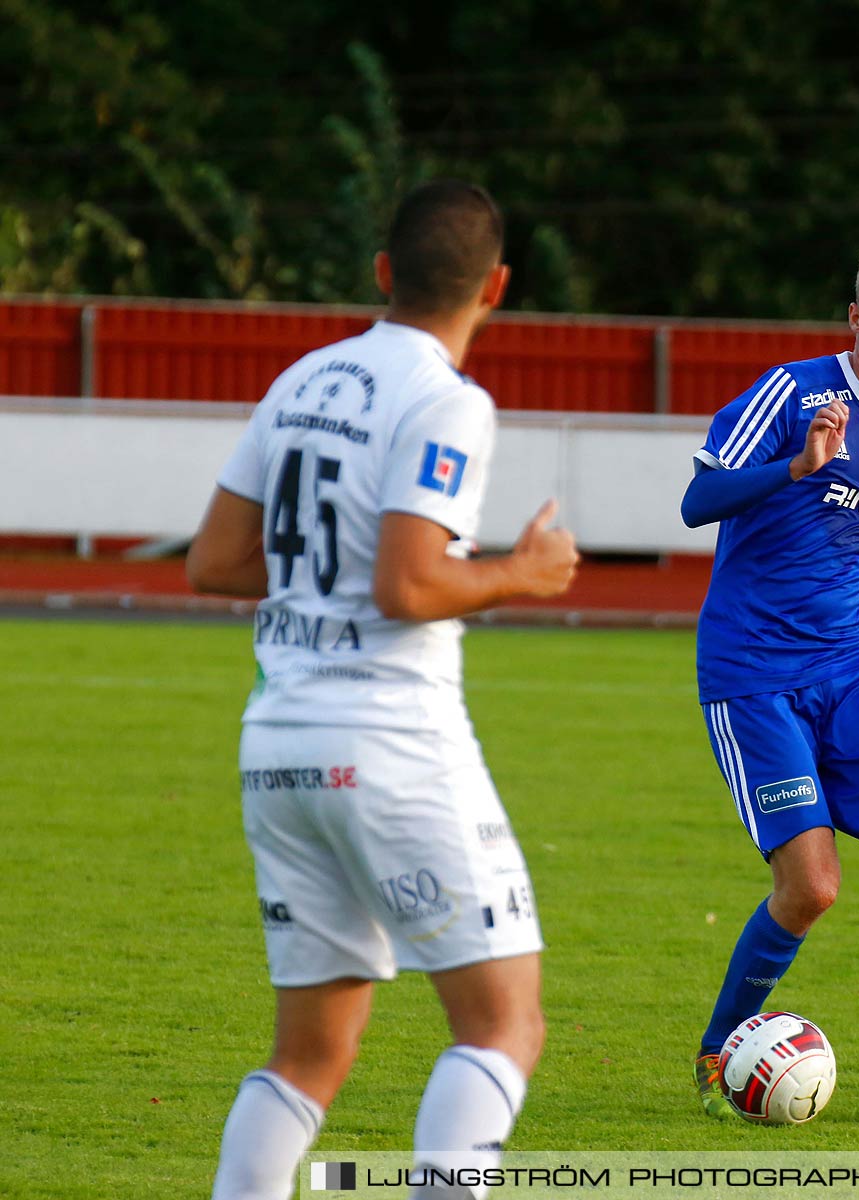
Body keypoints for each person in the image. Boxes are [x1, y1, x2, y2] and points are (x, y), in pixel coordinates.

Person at [186, 180, 578, 1199]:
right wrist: (521, 574)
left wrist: (327, 578)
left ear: (383, 272)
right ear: (496, 287)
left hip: (278, 744)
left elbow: (215, 563)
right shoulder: (450, 400)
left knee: (310, 1055)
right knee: (503, 1024)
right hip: (389, 744)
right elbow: (410, 583)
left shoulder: (304, 379)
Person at [679, 235, 859, 1121]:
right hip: (753, 671)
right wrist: (798, 467)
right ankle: (718, 1050)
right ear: (856, 318)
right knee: (812, 888)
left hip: (850, 669)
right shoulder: (793, 392)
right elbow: (698, 504)